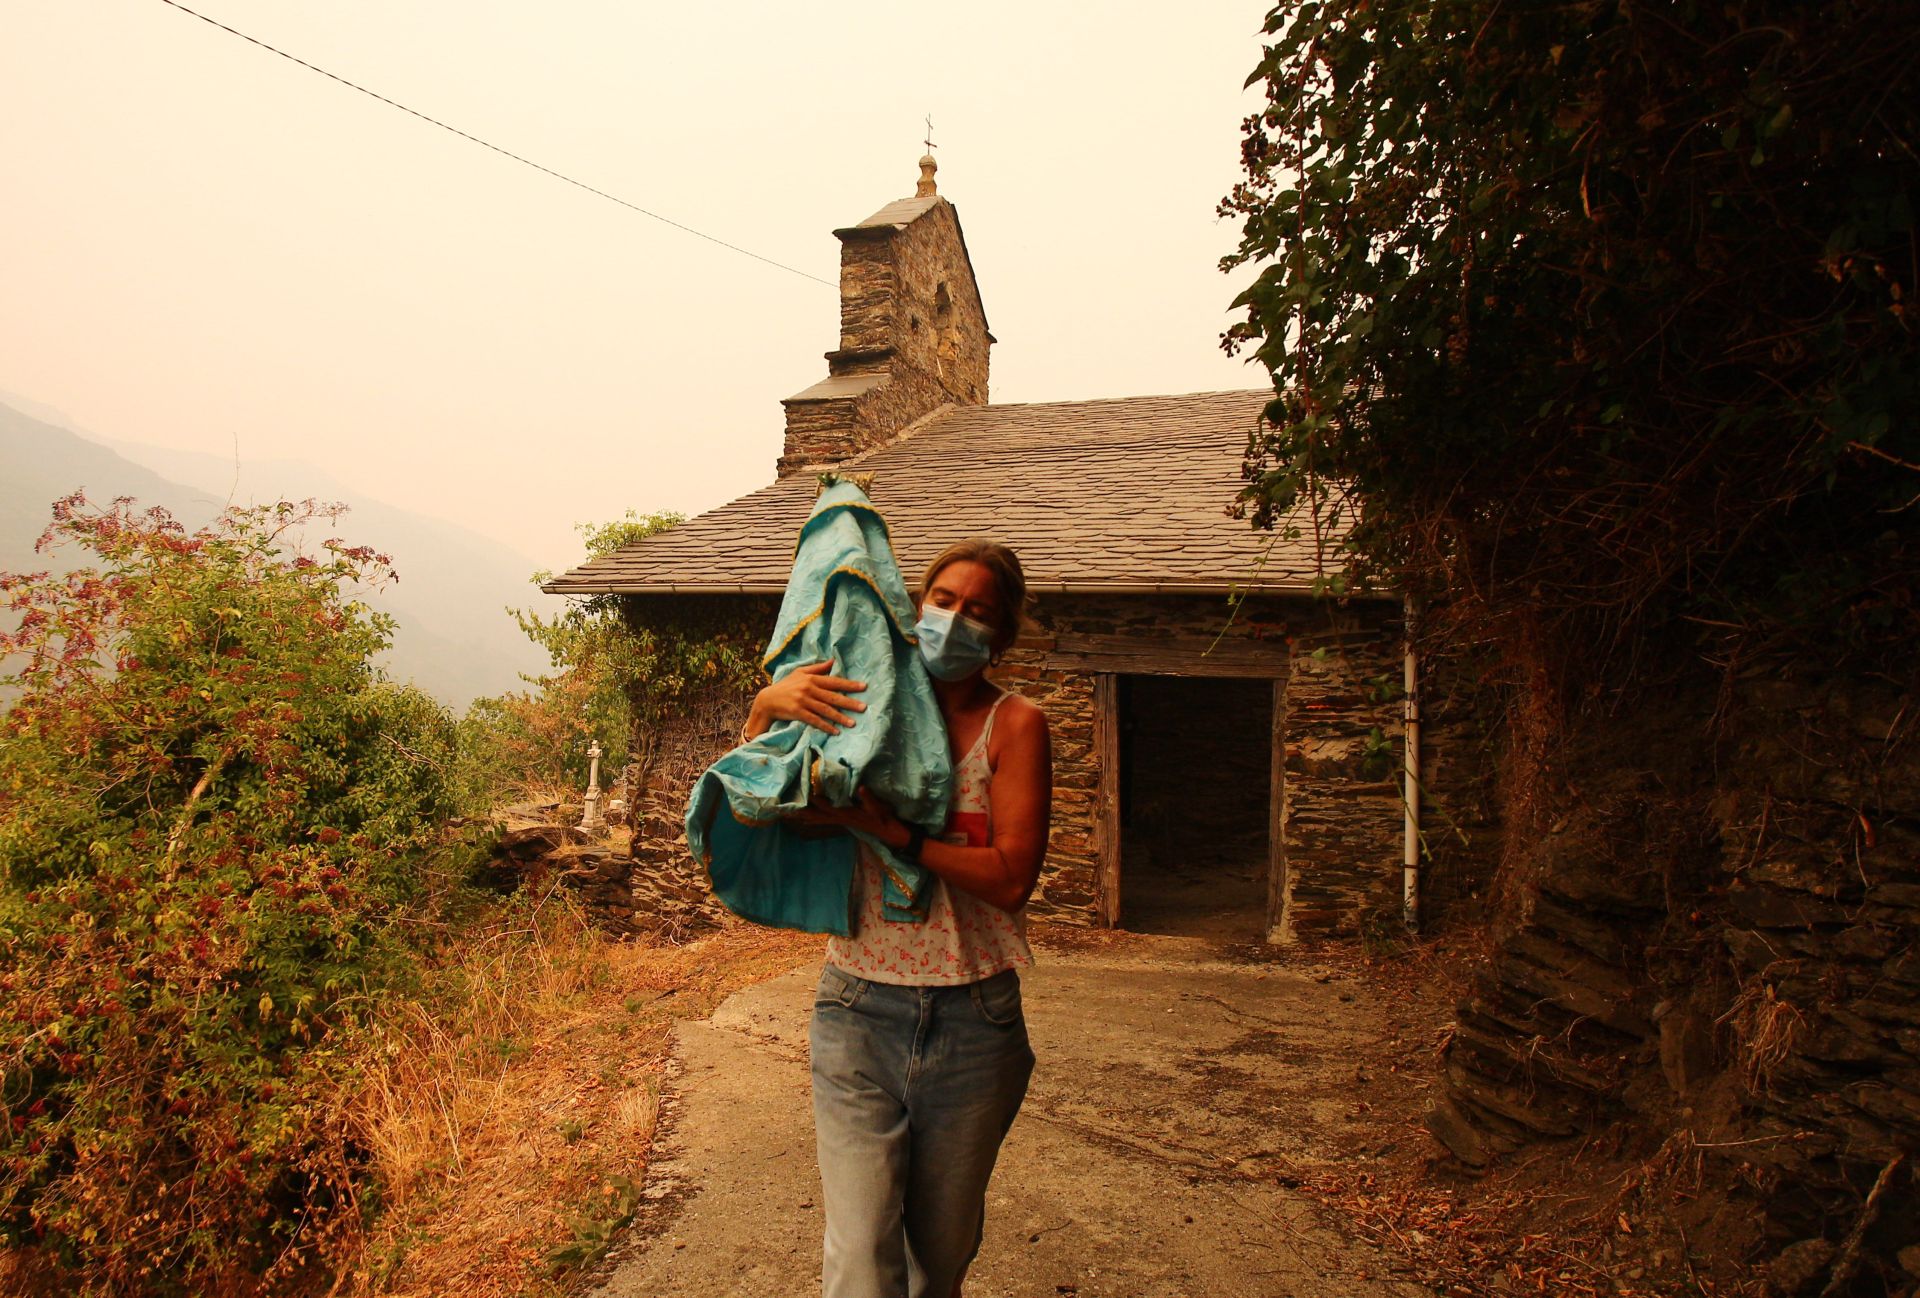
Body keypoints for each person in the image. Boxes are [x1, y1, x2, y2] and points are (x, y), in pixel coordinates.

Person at [741, 539, 1052, 1298]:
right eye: (943, 600)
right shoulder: (861, 707)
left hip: (975, 1019)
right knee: (858, 1254)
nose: (954, 620)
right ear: (917, 607)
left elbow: (1011, 879)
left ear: (1001, 634)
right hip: (856, 1009)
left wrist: (898, 834)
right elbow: (775, 808)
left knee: (938, 1260)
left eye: (977, 610)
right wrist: (762, 713)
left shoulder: (1014, 726)